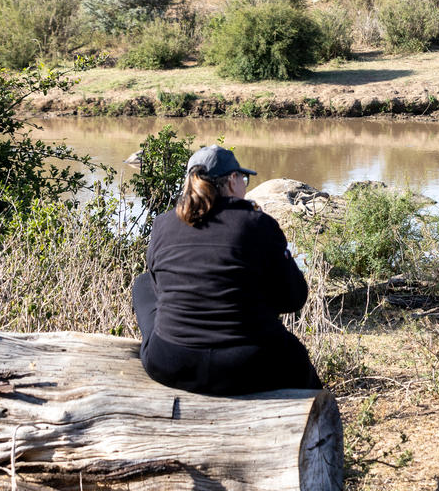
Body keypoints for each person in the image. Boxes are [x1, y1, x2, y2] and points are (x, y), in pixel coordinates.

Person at [132, 145, 322, 395]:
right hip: (248, 365)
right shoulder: (257, 223)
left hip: (170, 363)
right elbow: (294, 298)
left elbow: (159, 284)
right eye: (243, 178)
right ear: (232, 181)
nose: (244, 184)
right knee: (297, 360)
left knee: (143, 284)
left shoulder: (163, 224)